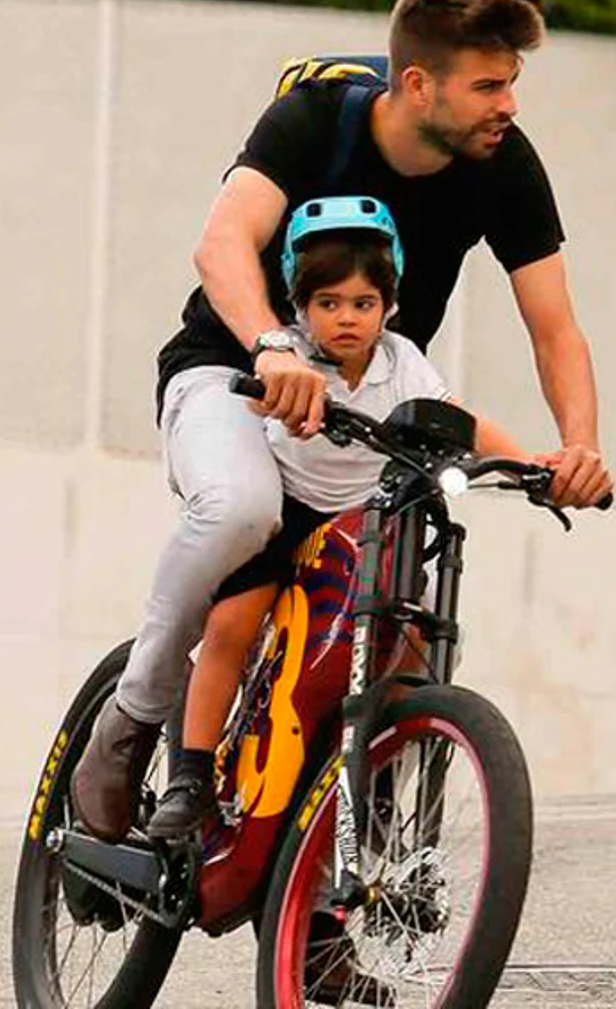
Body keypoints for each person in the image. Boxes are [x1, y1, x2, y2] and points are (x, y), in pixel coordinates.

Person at [71, 0, 613, 841]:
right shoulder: (315, 120)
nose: (508, 104)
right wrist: (271, 346)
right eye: (488, 84)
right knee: (241, 507)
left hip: (374, 406)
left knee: (405, 622)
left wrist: (576, 449)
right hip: (231, 374)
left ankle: (344, 876)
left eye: (512, 83)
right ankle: (132, 721)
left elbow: (556, 329)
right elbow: (221, 244)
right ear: (416, 83)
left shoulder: (503, 162)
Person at [144, 196, 533, 838]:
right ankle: (189, 775)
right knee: (233, 623)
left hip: (364, 527)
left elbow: (460, 421)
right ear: (300, 307)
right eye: (328, 304)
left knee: (416, 631)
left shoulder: (402, 362)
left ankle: (376, 775)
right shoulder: (289, 358)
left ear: (390, 305)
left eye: (363, 304)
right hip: (291, 516)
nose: (347, 319)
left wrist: (533, 465)